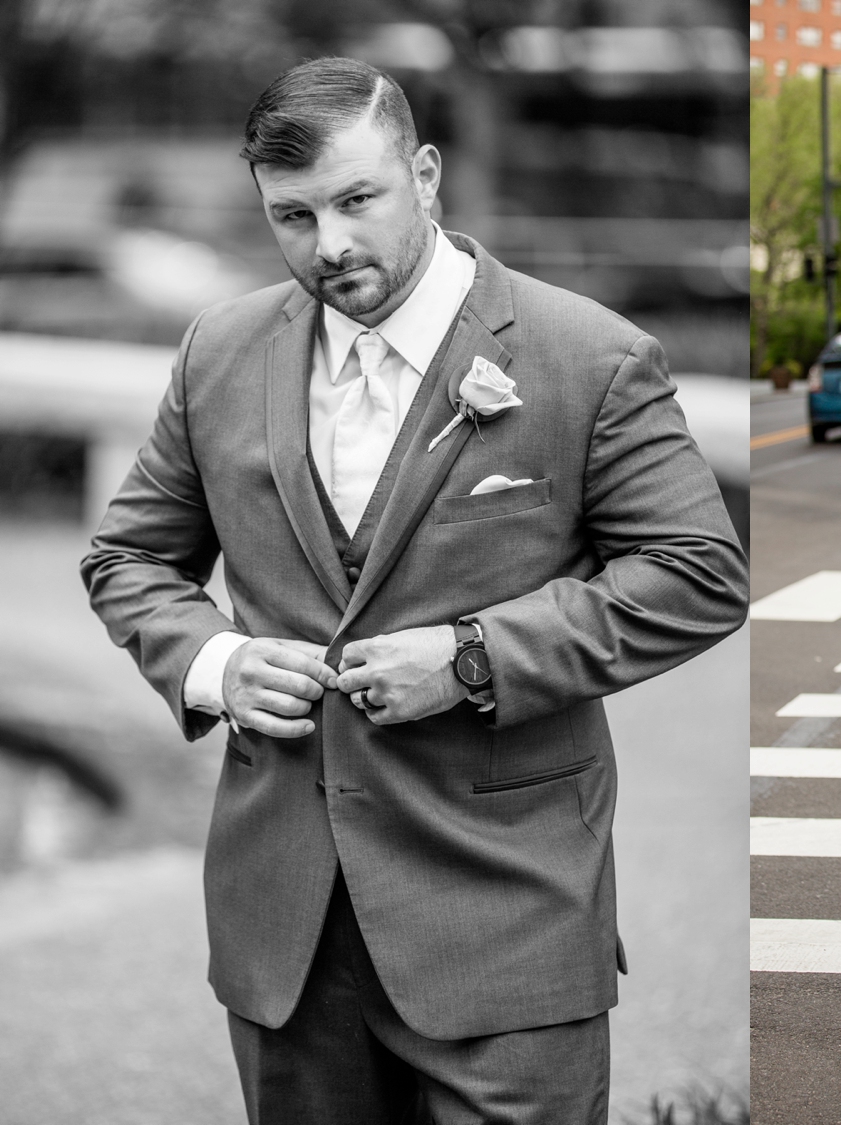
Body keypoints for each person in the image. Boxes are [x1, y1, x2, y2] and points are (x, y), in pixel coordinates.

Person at [80, 58, 748, 1123]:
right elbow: (130, 559)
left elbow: (699, 574)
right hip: (283, 931)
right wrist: (217, 662)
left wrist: (475, 653)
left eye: (357, 200)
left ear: (425, 174)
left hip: (507, 914)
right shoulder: (219, 352)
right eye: (291, 216)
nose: (330, 245)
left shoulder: (589, 357)